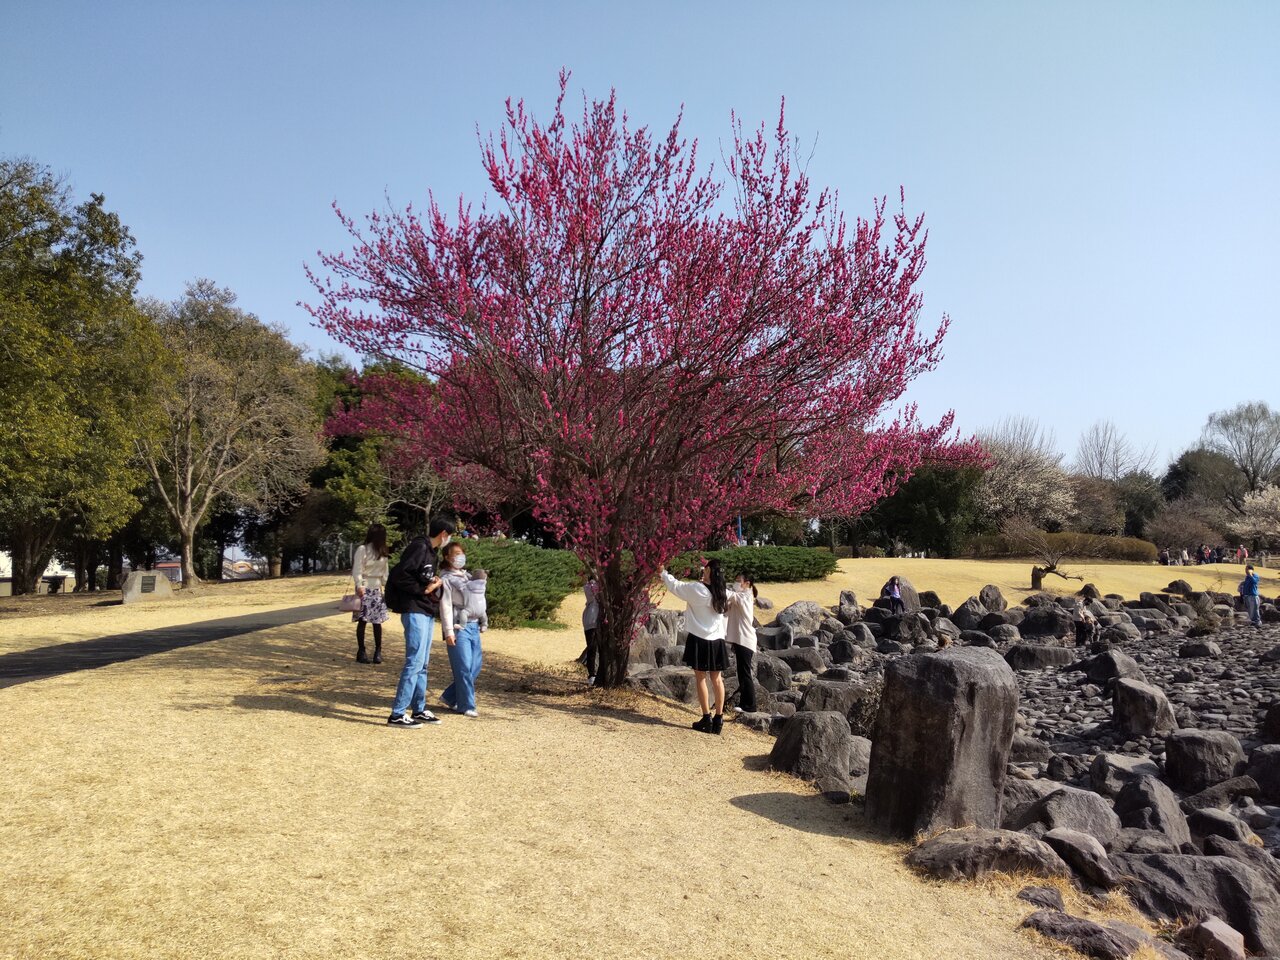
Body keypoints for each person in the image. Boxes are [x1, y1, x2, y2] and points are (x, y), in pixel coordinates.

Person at [384, 516, 455, 728]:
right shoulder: (419, 547)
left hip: (425, 610)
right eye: (450, 535)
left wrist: (432, 582)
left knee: (422, 663)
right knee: (414, 661)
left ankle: (419, 709)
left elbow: (419, 575)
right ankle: (398, 713)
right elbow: (401, 576)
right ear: (443, 534)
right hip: (413, 609)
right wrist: (424, 589)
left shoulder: (431, 552)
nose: (449, 539)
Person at [660, 559, 730, 735]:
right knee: (717, 679)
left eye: (705, 568)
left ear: (708, 571)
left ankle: (706, 718)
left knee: (700, 678)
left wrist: (663, 572)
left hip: (700, 638)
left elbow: (675, 586)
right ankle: (719, 718)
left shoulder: (697, 589)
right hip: (717, 640)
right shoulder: (722, 592)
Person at [439, 543, 487, 717]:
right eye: (456, 554)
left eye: (462, 553)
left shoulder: (468, 576)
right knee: (464, 667)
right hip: (458, 626)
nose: (460, 557)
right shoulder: (446, 579)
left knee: (475, 666)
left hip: (473, 625)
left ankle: (449, 697)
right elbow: (445, 605)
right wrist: (448, 631)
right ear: (447, 557)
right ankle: (467, 705)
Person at [351, 523, 391, 664]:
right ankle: (361, 651)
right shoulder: (363, 549)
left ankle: (378, 651)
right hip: (365, 587)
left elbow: (385, 572)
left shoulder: (383, 551)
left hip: (377, 588)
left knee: (377, 622)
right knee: (362, 621)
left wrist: (387, 586)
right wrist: (359, 585)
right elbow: (357, 569)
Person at [726, 572, 760, 715]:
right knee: (741, 672)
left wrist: (715, 584)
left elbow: (731, 596)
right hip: (740, 640)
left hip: (746, 640)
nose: (736, 582)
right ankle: (744, 703)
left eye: (738, 580)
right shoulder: (741, 596)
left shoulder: (746, 597)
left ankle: (750, 705)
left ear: (747, 583)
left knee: (745, 673)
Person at [581, 576, 600, 685]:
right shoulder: (590, 586)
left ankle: (594, 673)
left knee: (597, 648)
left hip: (597, 620)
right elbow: (591, 594)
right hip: (591, 620)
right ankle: (592, 674)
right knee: (592, 647)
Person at [1241, 564, 1262, 628]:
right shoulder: (1247, 577)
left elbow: (1254, 582)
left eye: (1247, 569)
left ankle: (1257, 622)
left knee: (1255, 609)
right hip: (1247, 596)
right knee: (1250, 610)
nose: (1246, 571)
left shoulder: (1255, 576)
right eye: (1245, 569)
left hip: (1253, 596)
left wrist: (1250, 575)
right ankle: (1253, 622)